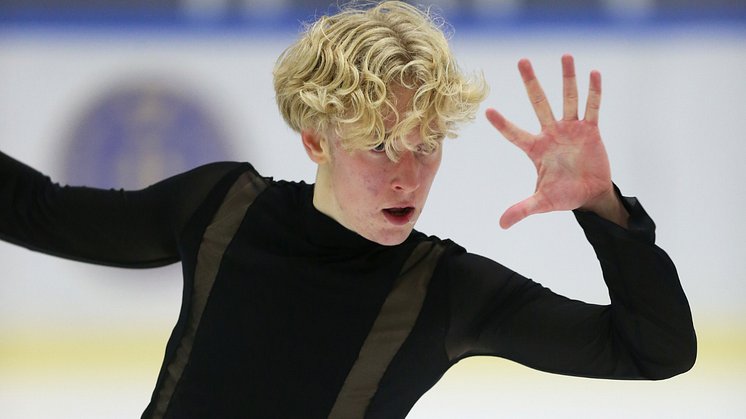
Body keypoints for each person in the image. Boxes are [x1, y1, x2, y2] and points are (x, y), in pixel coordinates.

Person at [0, 1, 695, 418]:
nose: (407, 176)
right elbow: (34, 208)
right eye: (381, 145)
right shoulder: (222, 210)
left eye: (425, 147)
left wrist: (602, 208)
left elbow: (655, 350)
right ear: (316, 139)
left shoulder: (445, 291)